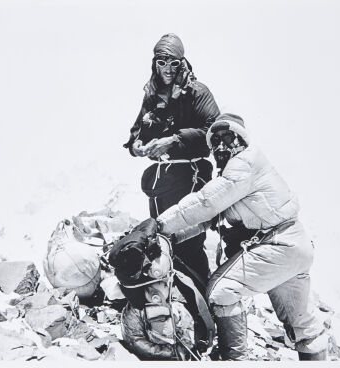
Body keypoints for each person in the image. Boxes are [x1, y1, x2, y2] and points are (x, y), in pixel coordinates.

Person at [155, 113, 328, 361]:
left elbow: (205, 204)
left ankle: (235, 359)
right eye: (215, 142)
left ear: (242, 139)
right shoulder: (237, 174)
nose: (221, 146)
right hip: (293, 247)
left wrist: (159, 224)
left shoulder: (244, 163)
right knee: (303, 324)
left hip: (277, 244)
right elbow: (209, 219)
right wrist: (170, 236)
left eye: (228, 138)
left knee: (221, 291)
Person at [123, 33, 220, 290]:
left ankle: (202, 301)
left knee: (189, 241)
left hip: (192, 176)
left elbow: (215, 132)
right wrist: (136, 144)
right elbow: (137, 131)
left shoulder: (198, 93)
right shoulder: (152, 94)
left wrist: (174, 141)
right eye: (161, 61)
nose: (167, 68)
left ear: (182, 62)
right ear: (154, 63)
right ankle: (176, 300)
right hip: (162, 180)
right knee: (164, 238)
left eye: (173, 62)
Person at [108, 218, 215, 360]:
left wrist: (186, 347)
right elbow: (135, 340)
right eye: (164, 284)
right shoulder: (134, 311)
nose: (168, 286)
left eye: (166, 284)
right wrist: (167, 353)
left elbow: (188, 328)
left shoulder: (176, 305)